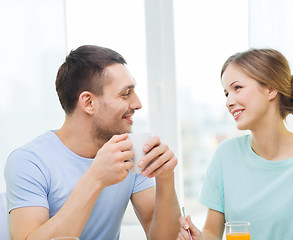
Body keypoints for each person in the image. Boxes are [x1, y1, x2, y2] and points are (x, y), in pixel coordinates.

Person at [5, 45, 181, 240]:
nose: (138, 103)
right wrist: (95, 178)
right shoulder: (29, 161)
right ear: (88, 102)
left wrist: (165, 179)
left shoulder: (130, 153)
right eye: (125, 93)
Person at [177, 48, 293, 240]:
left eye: (237, 88)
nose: (229, 102)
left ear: (271, 88)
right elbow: (212, 232)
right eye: (226, 93)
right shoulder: (225, 155)